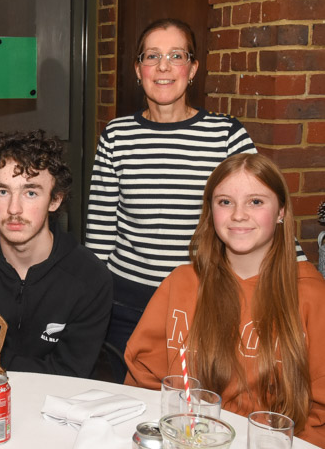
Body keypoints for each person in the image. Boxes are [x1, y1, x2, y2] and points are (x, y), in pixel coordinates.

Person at [85, 18, 257, 377]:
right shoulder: (116, 135)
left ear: (192, 69)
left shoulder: (226, 135)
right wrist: (90, 302)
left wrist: (299, 277)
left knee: (196, 400)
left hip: (202, 300)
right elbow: (100, 233)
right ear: (138, 70)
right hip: (126, 304)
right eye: (152, 56)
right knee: (126, 398)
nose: (163, 67)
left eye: (176, 56)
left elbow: (259, 214)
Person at [124, 153, 325, 446]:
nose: (238, 214)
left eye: (255, 202)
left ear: (281, 211)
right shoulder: (180, 283)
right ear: (210, 211)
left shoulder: (312, 294)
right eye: (225, 202)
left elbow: (320, 416)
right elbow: (144, 385)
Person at [0, 131, 112, 376]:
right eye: (2, 192)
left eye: (31, 193)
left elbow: (71, 375)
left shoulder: (90, 278)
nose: (14, 209)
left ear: (55, 200)